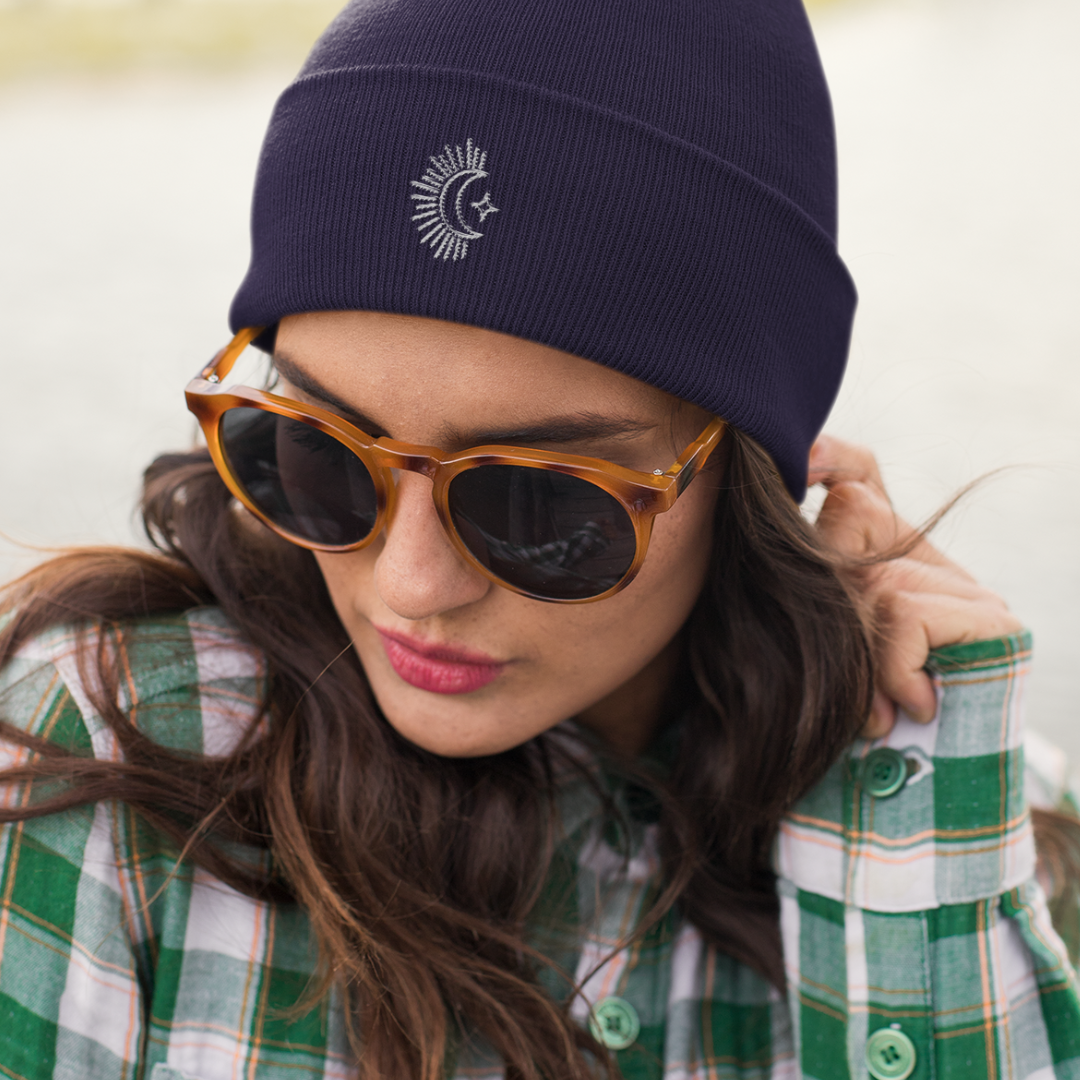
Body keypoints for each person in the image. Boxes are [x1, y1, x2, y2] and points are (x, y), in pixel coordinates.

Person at [2, 0, 1078, 1078]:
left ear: (753, 475)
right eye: (322, 458)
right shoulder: (94, 758)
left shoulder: (982, 812)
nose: (414, 587)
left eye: (539, 505)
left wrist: (908, 825)